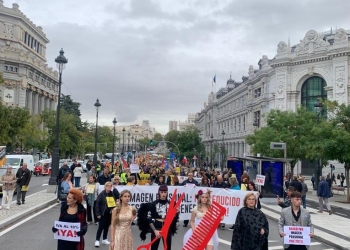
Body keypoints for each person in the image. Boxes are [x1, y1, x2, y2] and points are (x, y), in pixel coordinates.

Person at [137, 185, 179, 250]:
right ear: (159, 192)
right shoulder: (153, 204)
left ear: (167, 193)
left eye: (165, 192)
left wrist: (176, 213)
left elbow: (173, 218)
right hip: (156, 227)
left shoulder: (171, 204)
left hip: (167, 228)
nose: (163, 194)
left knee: (167, 248)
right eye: (161, 192)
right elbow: (149, 218)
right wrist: (155, 230)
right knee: (154, 247)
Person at [95, 182, 118, 247]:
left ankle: (104, 239)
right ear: (105, 186)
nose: (109, 187)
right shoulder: (101, 194)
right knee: (100, 227)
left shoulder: (112, 194)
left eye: (110, 186)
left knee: (106, 227)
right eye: (108, 186)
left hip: (109, 213)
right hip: (102, 213)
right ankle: (97, 240)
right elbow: (97, 204)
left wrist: (115, 188)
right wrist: (98, 214)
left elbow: (117, 197)